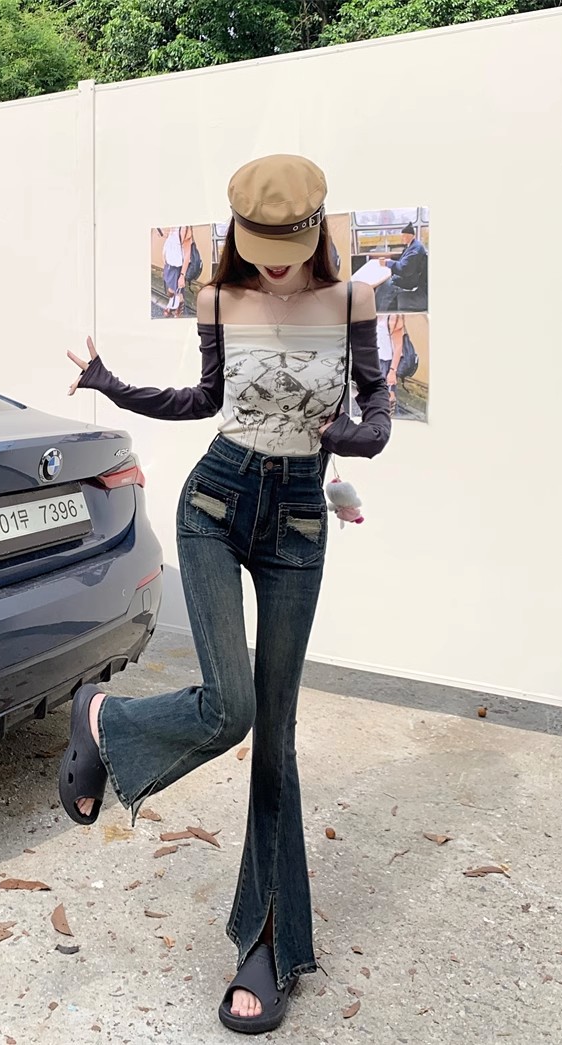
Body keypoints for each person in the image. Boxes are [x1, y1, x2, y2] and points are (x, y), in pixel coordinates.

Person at [60, 155, 391, 1035]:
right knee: (229, 706)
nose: (275, 266)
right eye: (262, 248)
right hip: (215, 500)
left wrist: (352, 439)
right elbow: (202, 398)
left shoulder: (353, 301)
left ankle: (266, 946)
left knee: (275, 741)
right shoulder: (216, 298)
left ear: (316, 232)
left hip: (299, 520)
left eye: (290, 249)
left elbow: (378, 411)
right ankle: (105, 720)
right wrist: (110, 383)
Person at [373, 222, 428, 312]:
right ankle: (378, 311)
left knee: (384, 288)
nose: (402, 238)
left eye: (404, 236)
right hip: (408, 277)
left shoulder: (415, 249)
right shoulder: (412, 246)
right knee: (381, 286)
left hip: (409, 282)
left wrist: (387, 263)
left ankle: (379, 313)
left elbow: (404, 269)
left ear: (411, 236)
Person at [161, 226, 193, 317]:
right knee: (171, 289)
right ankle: (172, 304)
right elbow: (170, 239)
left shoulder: (184, 228)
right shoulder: (171, 225)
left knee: (176, 291)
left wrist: (182, 275)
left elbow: (187, 254)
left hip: (177, 267)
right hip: (169, 265)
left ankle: (179, 306)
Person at [376, 313, 405, 416]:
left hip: (388, 364)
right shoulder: (376, 314)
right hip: (377, 361)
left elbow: (398, 346)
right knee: (377, 401)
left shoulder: (393, 317)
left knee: (389, 403)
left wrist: (392, 371)